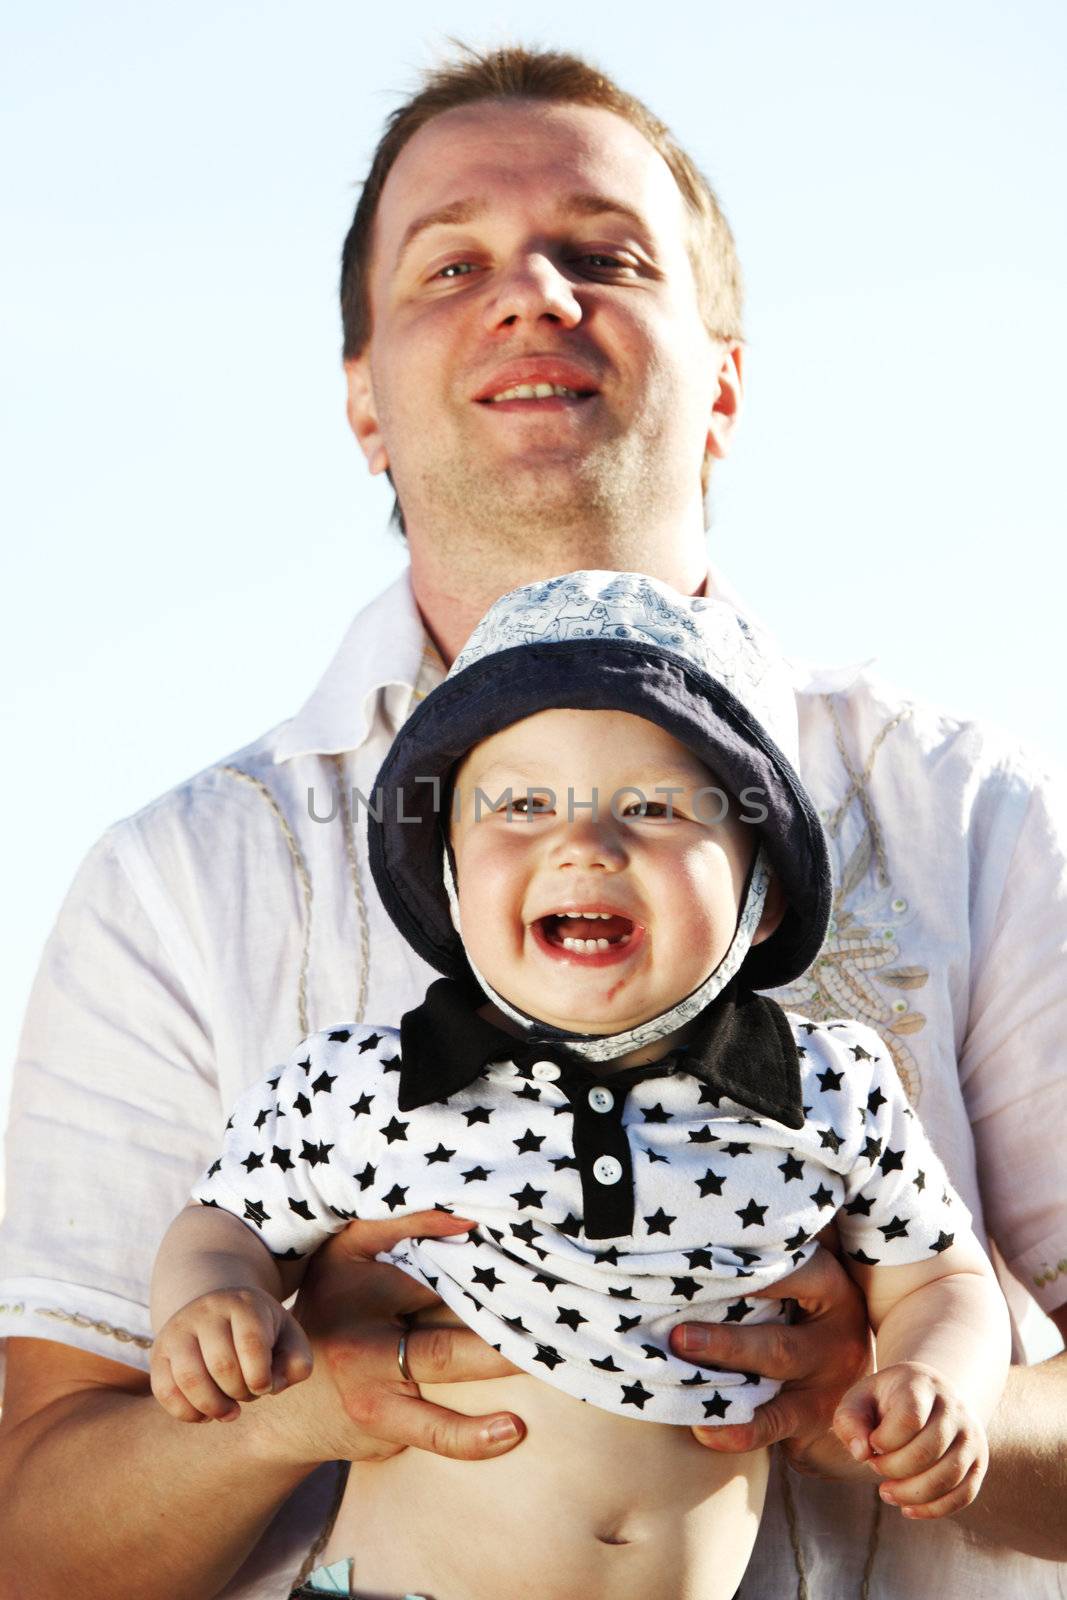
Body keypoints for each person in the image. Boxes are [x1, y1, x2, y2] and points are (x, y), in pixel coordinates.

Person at [0, 41, 1064, 1600]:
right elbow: (31, 1542)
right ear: (362, 401)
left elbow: (971, 1333)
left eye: (601, 255)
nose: (531, 298)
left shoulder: (961, 812)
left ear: (724, 379)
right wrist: (286, 1406)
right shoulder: (182, 883)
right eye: (450, 265)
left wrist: (904, 1398)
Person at [149, 572, 1008, 1600]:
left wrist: (935, 1378)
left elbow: (941, 1279)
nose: (582, 843)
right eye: (519, 805)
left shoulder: (823, 1088)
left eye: (651, 806)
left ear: (761, 895)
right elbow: (223, 1224)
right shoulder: (370, 1085)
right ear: (450, 881)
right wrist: (216, 1300)